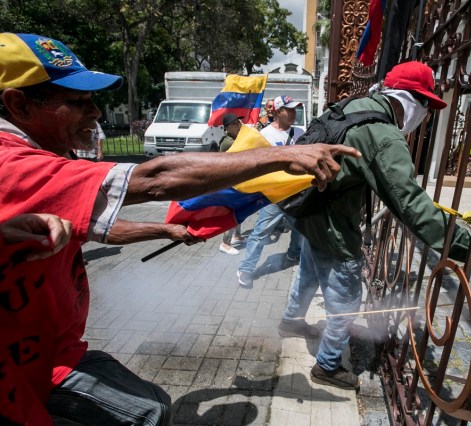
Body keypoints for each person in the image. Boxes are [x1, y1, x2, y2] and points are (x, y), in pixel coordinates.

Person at [0, 32, 360, 425]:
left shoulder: (37, 157)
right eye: (78, 102)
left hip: (53, 351)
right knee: (148, 413)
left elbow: (95, 228)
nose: (97, 113)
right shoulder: (14, 164)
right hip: (22, 371)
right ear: (18, 104)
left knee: (154, 401)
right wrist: (277, 158)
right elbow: (157, 177)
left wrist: (163, 231)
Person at [277, 61, 471, 391]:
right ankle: (327, 366)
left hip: (307, 208)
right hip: (332, 223)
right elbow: (413, 207)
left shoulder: (352, 106)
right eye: (427, 106)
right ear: (414, 101)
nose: (425, 115)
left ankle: (290, 322)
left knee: (308, 271)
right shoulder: (384, 133)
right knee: (347, 298)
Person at [236, 95, 306, 287]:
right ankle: (246, 269)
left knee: (300, 228)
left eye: (295, 110)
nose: (293, 113)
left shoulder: (302, 132)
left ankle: (293, 255)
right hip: (273, 195)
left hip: (297, 192)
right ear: (277, 111)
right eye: (289, 109)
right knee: (261, 231)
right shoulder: (264, 135)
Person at [219, 113, 245, 255]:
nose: (240, 125)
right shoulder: (228, 141)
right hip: (229, 183)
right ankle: (225, 243)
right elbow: (247, 147)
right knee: (232, 212)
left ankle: (236, 236)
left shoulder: (234, 138)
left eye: (239, 122)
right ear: (229, 127)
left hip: (236, 181)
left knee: (240, 209)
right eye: (236, 123)